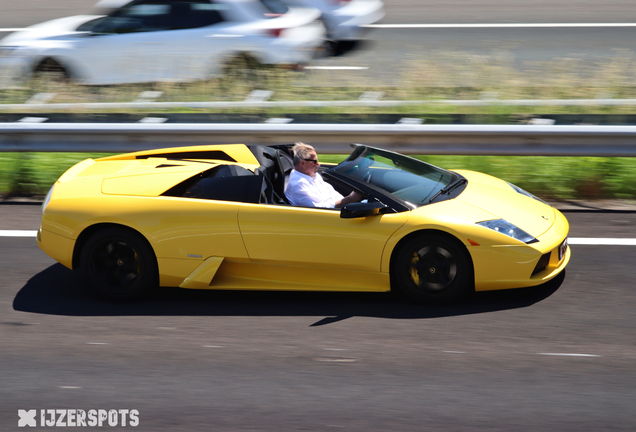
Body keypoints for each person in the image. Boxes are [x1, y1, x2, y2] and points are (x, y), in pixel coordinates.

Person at [285, 142, 362, 208]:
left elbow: (332, 195)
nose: (318, 164)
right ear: (303, 163)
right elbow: (319, 209)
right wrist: (350, 199)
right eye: (314, 161)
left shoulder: (313, 176)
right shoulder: (298, 186)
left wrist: (351, 203)